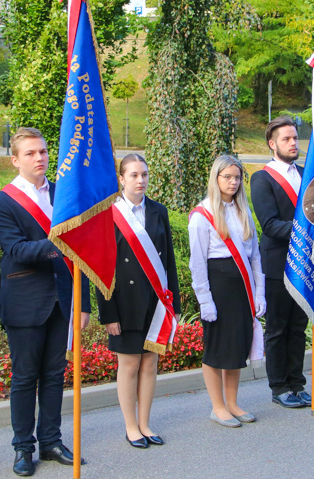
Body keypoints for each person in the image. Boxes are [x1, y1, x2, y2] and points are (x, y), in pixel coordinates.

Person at [0, 128, 90, 477]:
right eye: (30, 153)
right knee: (25, 378)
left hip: (63, 299)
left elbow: (83, 254)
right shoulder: (2, 201)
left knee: (53, 376)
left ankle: (50, 441)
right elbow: (16, 250)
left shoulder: (64, 194)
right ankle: (22, 447)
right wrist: (59, 241)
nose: (40, 158)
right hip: (25, 302)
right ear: (15, 160)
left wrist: (84, 303)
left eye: (43, 151)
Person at [99, 154, 181, 448]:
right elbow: (102, 267)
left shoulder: (159, 211)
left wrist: (175, 305)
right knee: (130, 365)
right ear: (121, 179)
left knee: (150, 365)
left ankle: (145, 423)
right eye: (133, 175)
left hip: (155, 302)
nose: (140, 180)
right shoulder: (109, 212)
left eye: (144, 174)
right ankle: (131, 426)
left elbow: (168, 260)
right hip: (123, 303)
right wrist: (108, 312)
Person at [189, 155, 266, 427]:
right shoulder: (203, 214)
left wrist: (260, 293)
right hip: (218, 290)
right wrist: (205, 301)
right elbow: (197, 262)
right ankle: (218, 406)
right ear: (216, 178)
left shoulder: (243, 211)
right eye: (227, 177)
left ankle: (232, 403)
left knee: (236, 349)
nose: (233, 182)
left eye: (236, 177)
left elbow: (255, 256)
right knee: (217, 349)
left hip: (243, 290)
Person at [250, 116, 310, 408]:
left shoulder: (306, 174)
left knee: (298, 326)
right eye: (286, 139)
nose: (293, 143)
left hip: (305, 262)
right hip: (277, 264)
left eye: (295, 138)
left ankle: (297, 382)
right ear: (272, 144)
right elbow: (270, 225)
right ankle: (279, 387)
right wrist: (308, 230)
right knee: (278, 327)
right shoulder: (262, 178)